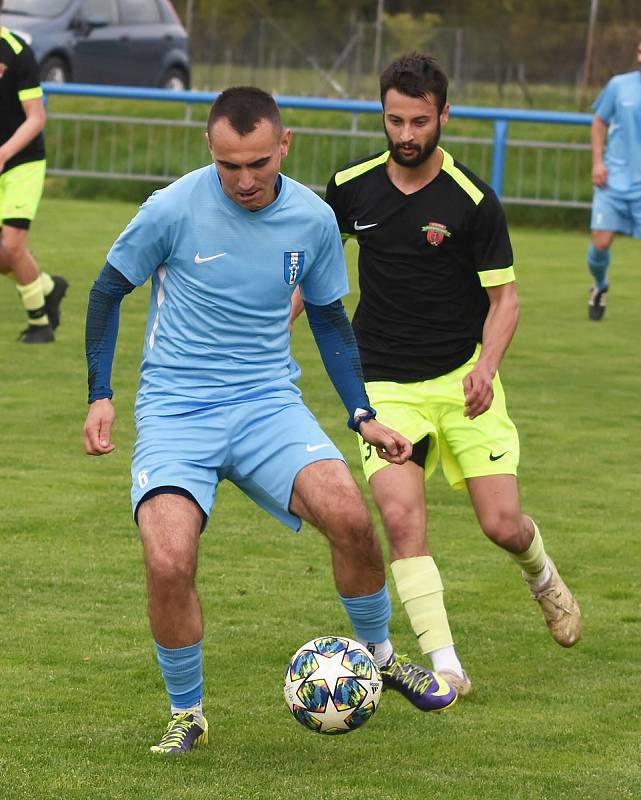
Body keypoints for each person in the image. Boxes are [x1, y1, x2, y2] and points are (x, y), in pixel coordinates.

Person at [83, 86, 457, 755]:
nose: (246, 179)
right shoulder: (170, 208)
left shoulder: (312, 219)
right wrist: (100, 392)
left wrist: (361, 413)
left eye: (258, 162)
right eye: (230, 165)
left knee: (348, 513)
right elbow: (108, 289)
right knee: (168, 560)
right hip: (178, 411)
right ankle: (188, 714)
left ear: (284, 145)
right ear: (210, 149)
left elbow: (329, 320)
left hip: (266, 406)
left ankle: (378, 654)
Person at [294, 53, 582, 697]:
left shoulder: (473, 199)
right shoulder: (352, 185)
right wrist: (275, 331)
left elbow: (505, 300)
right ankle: (445, 665)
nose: (405, 134)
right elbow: (312, 269)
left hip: (461, 380)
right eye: (395, 120)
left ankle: (542, 577)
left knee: (502, 524)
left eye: (419, 121)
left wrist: (486, 367)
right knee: (401, 521)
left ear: (444, 115)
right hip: (385, 386)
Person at [0, 6, 67, 343]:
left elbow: (36, 118)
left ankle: (40, 323)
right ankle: (48, 287)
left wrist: (4, 153)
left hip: (22, 162)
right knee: (1, 256)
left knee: (10, 246)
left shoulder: (15, 51)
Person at [586, 29, 641, 321]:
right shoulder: (619, 86)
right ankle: (599, 286)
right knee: (600, 244)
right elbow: (599, 122)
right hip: (613, 180)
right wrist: (598, 162)